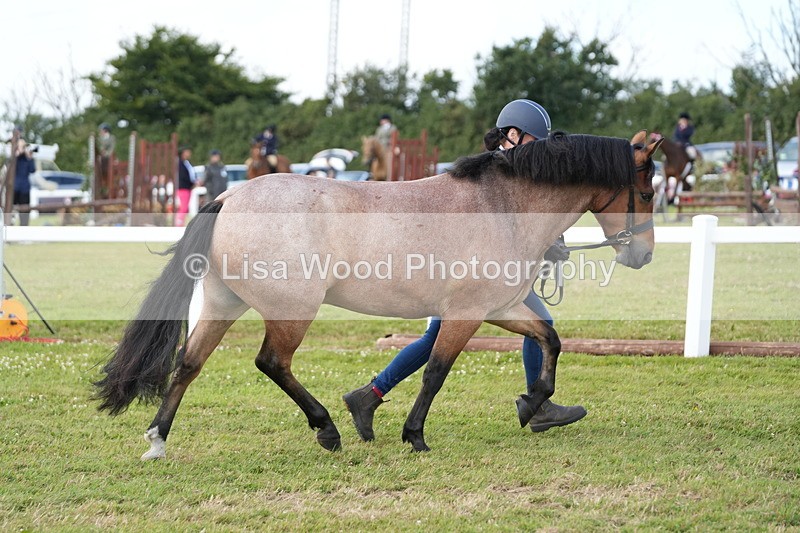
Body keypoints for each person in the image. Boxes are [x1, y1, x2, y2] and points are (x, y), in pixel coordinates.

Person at [343, 99, 586, 441]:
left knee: (438, 340)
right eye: (535, 141)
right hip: (476, 275)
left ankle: (369, 395)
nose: (540, 151)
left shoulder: (512, 173)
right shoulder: (496, 174)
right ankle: (540, 405)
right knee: (537, 326)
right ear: (513, 135)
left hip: (485, 273)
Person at [12, 139, 36, 226]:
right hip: (14, 188)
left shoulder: (27, 158)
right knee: (11, 211)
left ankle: (24, 230)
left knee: (25, 211)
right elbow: (11, 168)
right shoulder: (14, 157)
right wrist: (18, 154)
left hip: (24, 188)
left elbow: (32, 170)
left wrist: (29, 157)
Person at [175, 146, 196, 227]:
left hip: (187, 188)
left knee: (185, 207)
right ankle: (179, 224)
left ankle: (181, 222)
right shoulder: (180, 164)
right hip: (183, 188)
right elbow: (183, 176)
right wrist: (192, 183)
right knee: (183, 207)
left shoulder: (186, 163)